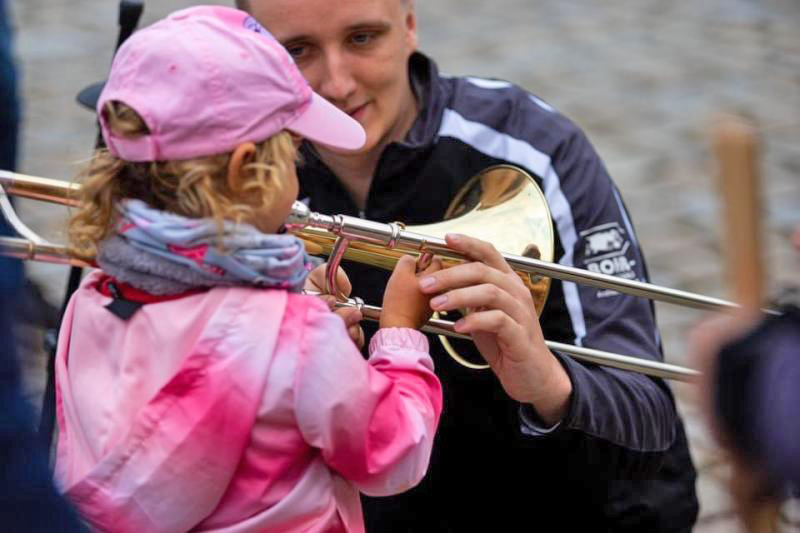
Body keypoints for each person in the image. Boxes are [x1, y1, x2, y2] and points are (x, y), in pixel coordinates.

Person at [238, 0, 699, 530]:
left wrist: (548, 383)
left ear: (409, 25)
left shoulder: (536, 147)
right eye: (297, 51)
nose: (338, 84)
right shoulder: (229, 177)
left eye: (363, 38)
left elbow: (648, 417)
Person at [55, 6, 443, 532]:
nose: (299, 171)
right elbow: (394, 456)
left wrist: (302, 333)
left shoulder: (90, 302)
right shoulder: (297, 337)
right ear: (244, 171)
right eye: (293, 151)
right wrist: (399, 336)